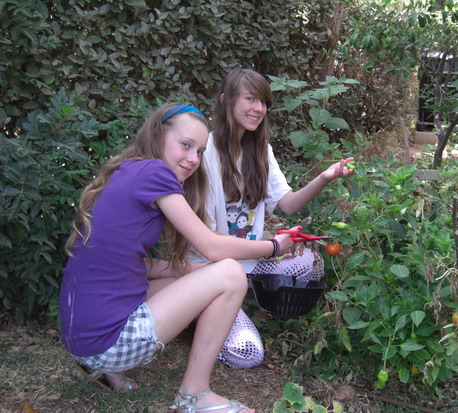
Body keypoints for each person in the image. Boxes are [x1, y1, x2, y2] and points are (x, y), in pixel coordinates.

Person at [59, 103, 296, 413]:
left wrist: (200, 274)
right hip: (107, 342)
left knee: (196, 273)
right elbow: (211, 246)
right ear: (158, 136)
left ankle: (105, 370)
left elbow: (141, 265)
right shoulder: (155, 172)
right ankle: (194, 395)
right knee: (231, 274)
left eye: (199, 151)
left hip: (81, 339)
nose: (193, 160)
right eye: (185, 145)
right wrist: (275, 247)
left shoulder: (129, 170)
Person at [187, 68, 356, 369]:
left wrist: (325, 176)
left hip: (247, 262)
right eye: (250, 99)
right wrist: (274, 246)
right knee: (247, 355)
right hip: (209, 266)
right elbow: (208, 243)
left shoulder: (260, 151)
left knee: (307, 265)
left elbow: (287, 205)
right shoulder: (205, 152)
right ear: (226, 101)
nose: (259, 109)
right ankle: (202, 311)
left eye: (263, 101)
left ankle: (234, 305)